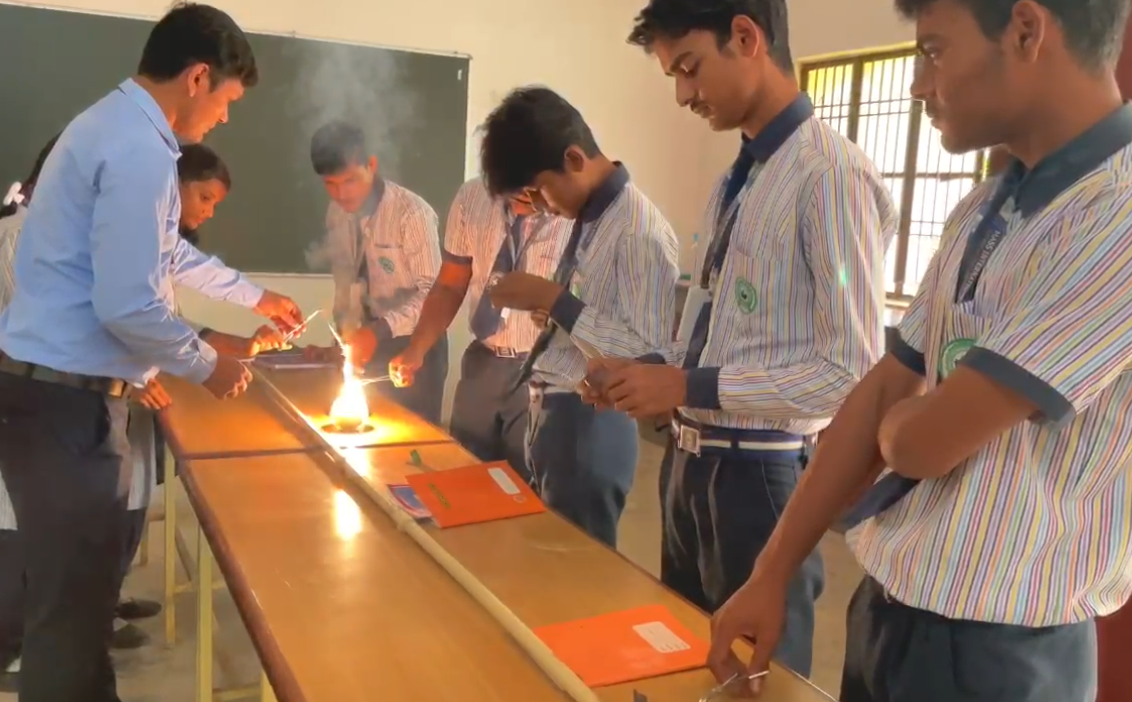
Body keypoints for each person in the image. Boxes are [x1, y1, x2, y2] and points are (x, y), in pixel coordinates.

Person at [704, 1, 1132, 700]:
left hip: (1000, 647)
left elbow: (920, 443)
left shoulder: (1114, 212)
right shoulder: (991, 205)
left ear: (1025, 31)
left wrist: (904, 422)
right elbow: (883, 390)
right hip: (892, 603)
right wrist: (771, 571)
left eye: (933, 51)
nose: (918, 85)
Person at [0, 5, 304, 701]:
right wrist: (208, 365)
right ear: (196, 78)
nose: (222, 119)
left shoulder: (116, 126)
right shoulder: (138, 149)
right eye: (226, 101)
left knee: (75, 612)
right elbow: (128, 305)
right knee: (71, 619)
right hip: (61, 405)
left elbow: (166, 255)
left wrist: (253, 297)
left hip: (52, 398)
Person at [592, 0, 897, 677]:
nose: (682, 95)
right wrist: (648, 371)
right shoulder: (744, 174)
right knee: (684, 655)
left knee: (754, 676)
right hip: (689, 463)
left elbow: (850, 372)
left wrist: (689, 385)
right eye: (673, 75)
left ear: (746, 36)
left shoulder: (830, 176)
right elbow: (728, 328)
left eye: (689, 69)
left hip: (759, 476)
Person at [479, 86, 679, 547]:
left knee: (578, 570)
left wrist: (554, 299)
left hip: (591, 422)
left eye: (539, 190)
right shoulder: (593, 217)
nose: (543, 205)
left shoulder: (637, 231)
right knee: (552, 560)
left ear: (573, 159)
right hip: (557, 416)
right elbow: (600, 315)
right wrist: (552, 316)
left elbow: (645, 357)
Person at [389, 181, 571, 478]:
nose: (523, 190)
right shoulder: (472, 198)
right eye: (512, 177)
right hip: (483, 365)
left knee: (529, 484)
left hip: (546, 370)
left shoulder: (577, 212)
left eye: (532, 180)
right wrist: (416, 348)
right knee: (466, 473)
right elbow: (449, 284)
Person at [305, 120, 448, 424]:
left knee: (411, 444)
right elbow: (345, 283)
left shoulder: (412, 214)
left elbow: (435, 295)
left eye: (350, 181)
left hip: (413, 347)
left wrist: (378, 331)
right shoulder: (337, 214)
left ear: (371, 164)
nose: (341, 194)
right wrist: (340, 341)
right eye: (330, 184)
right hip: (365, 343)